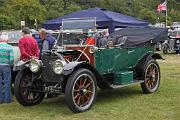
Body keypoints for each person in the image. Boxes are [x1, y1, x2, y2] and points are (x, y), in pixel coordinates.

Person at [0, 36, 14, 104]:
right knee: (7, 83)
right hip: (6, 66)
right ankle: (7, 99)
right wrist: (10, 65)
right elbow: (11, 59)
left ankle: (0, 99)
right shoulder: (9, 47)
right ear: (7, 40)